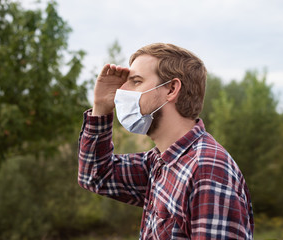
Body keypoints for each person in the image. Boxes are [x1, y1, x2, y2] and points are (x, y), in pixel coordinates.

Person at [78, 43, 254, 239]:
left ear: (171, 89)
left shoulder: (207, 170)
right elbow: (96, 175)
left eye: (136, 81)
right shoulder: (160, 161)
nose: (122, 91)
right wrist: (101, 106)